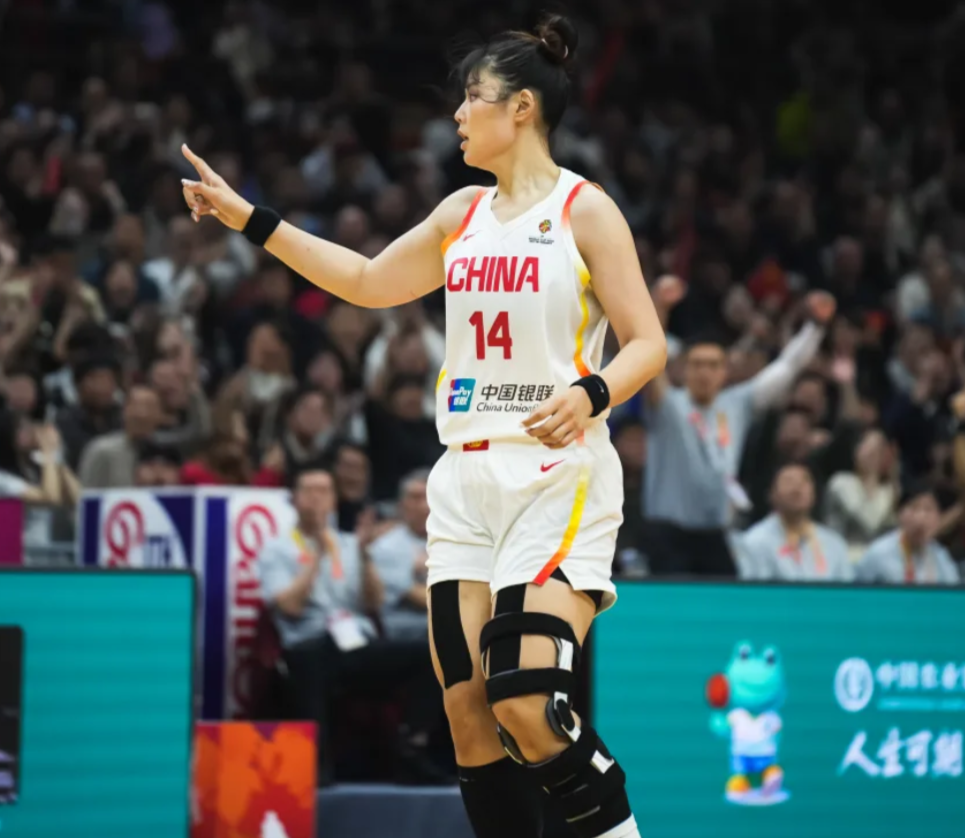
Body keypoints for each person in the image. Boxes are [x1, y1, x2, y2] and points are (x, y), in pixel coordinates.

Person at [181, 14, 666, 838]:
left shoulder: (585, 210)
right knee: (470, 717)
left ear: (521, 108)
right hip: (463, 479)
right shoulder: (460, 212)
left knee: (526, 701)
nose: (456, 114)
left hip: (554, 472)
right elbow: (367, 281)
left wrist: (591, 392)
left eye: (472, 97)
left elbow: (647, 341)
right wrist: (249, 219)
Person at [257, 468, 445, 785]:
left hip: (354, 644)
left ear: (334, 500)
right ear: (294, 499)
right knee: (312, 656)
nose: (317, 498)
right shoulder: (277, 549)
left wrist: (364, 555)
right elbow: (289, 607)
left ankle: (412, 747)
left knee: (431, 655)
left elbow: (373, 602)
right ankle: (317, 765)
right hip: (307, 645)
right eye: (309, 491)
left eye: (324, 491)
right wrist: (317, 553)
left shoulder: (347, 544)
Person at [643, 275, 834, 576]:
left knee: (729, 599)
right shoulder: (667, 405)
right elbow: (647, 355)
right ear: (683, 369)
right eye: (697, 364)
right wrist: (660, 306)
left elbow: (787, 367)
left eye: (713, 365)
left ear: (725, 372)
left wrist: (815, 327)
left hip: (715, 533)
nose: (704, 373)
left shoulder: (737, 404)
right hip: (668, 533)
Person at [739, 463, 853, 581]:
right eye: (788, 481)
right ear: (772, 495)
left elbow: (847, 589)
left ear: (814, 494)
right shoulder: (755, 541)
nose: (797, 488)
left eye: (804, 482)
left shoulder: (834, 543)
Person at [856, 482, 961, 584]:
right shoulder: (879, 554)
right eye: (914, 508)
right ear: (899, 514)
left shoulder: (940, 556)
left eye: (928, 510)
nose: (920, 518)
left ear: (938, 517)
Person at [369, 469, 431, 642]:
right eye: (415, 498)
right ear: (401, 505)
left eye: (428, 497)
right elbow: (420, 597)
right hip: (406, 634)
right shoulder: (386, 546)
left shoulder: (455, 540)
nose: (424, 506)